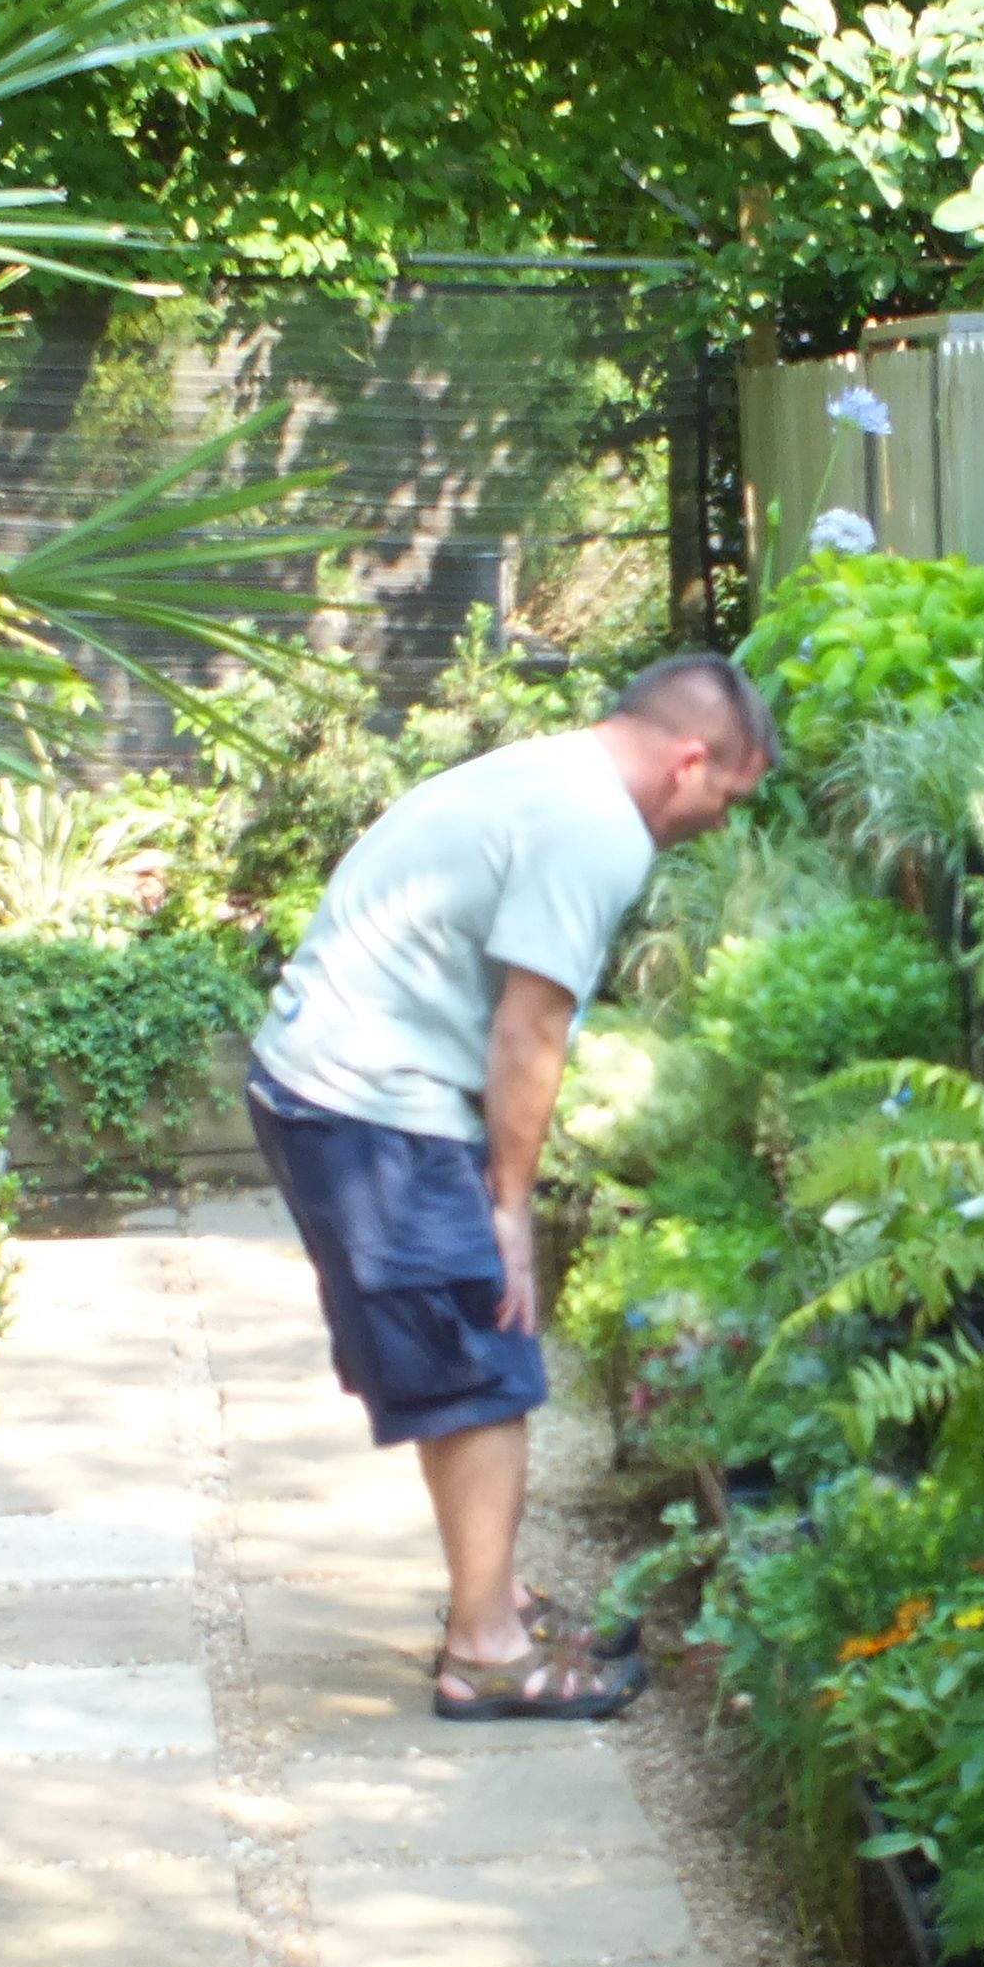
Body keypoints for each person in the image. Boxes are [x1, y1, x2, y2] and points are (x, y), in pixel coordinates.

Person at [242, 653, 776, 1720]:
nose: (727, 821)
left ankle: (496, 1598)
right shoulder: (597, 831)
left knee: (460, 1357)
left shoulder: (559, 776)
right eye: (733, 795)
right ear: (689, 760)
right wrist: (508, 1204)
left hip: (340, 1084)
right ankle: (485, 1653)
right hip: (372, 1101)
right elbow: (528, 1026)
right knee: (486, 1364)